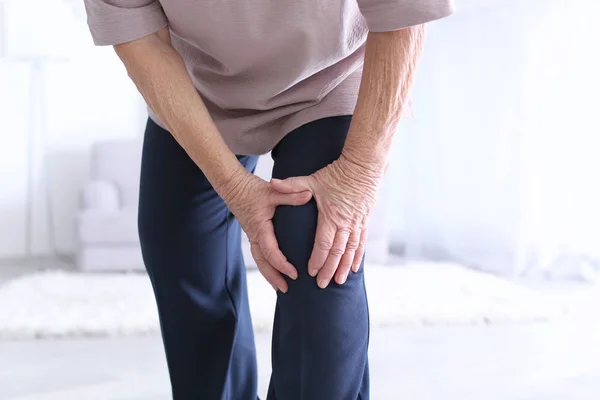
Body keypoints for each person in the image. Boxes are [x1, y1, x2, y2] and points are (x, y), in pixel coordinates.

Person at [83, 1, 454, 398]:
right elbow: (142, 41)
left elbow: (404, 11)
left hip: (328, 76)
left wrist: (357, 177)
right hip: (197, 87)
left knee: (316, 243)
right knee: (176, 244)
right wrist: (235, 188)